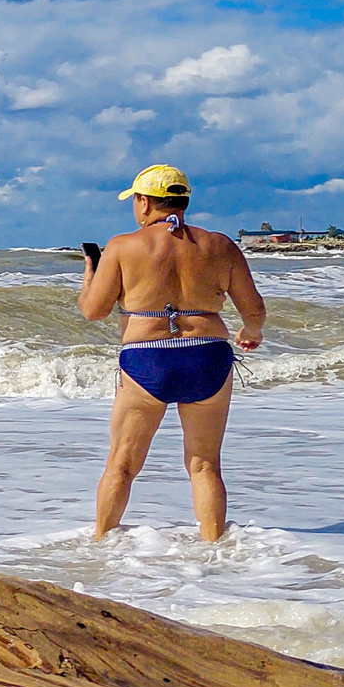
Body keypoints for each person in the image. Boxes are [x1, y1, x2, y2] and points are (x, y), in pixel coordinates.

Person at [78, 163, 266, 543]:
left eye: (135, 201)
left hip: (149, 359)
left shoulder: (121, 246)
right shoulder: (220, 245)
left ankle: (100, 544)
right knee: (205, 466)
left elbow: (93, 311)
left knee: (123, 463)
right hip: (208, 357)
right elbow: (254, 311)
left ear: (145, 203)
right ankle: (215, 549)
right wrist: (251, 332)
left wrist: (90, 273)